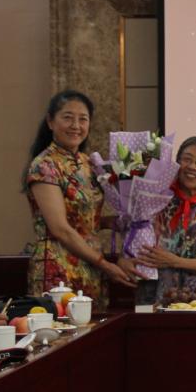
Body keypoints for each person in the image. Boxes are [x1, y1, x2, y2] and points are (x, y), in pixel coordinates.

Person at [23, 90, 134, 312]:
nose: (76, 125)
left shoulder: (88, 163)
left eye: (83, 119)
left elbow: (83, 219)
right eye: (67, 117)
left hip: (91, 267)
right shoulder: (44, 165)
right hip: (58, 267)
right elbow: (60, 229)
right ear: (50, 122)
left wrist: (111, 222)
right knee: (61, 329)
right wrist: (104, 264)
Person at [118, 135, 196, 304]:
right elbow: (128, 248)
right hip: (152, 303)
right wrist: (123, 262)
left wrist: (176, 262)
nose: (192, 166)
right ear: (177, 164)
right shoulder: (151, 205)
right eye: (186, 160)